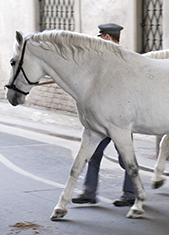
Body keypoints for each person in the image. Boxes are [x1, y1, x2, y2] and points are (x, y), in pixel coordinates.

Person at [72, 23, 135, 207]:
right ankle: (89, 193)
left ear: (107, 37)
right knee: (94, 154)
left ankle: (132, 193)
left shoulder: (120, 58)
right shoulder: (109, 57)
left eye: (100, 37)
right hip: (103, 118)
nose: (99, 40)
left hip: (118, 119)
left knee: (125, 158)